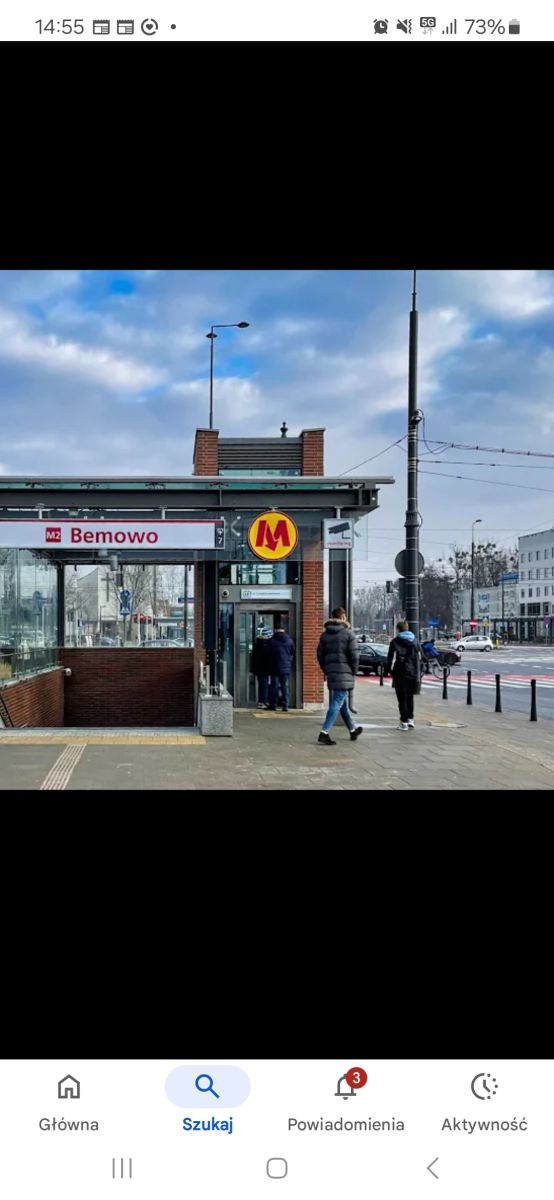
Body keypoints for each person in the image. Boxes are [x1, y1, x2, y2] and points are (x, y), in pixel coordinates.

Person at [316, 607, 363, 745]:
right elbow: (354, 656)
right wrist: (353, 671)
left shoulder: (325, 635)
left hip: (332, 672)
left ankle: (352, 729)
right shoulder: (348, 634)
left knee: (342, 703)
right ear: (343, 617)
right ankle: (324, 732)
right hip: (345, 672)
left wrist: (326, 669)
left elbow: (319, 654)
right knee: (337, 702)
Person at [387, 619, 423, 731]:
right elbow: (421, 656)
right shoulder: (415, 641)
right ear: (407, 628)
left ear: (398, 629)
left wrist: (389, 671)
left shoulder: (395, 642)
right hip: (412, 673)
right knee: (410, 697)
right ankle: (411, 719)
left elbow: (390, 658)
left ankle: (404, 722)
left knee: (401, 698)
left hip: (400, 672)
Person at [267, 622, 294, 712]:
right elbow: (292, 652)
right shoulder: (289, 640)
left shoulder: (271, 641)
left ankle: (273, 704)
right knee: (285, 686)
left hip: (274, 667)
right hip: (286, 667)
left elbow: (268, 654)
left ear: (275, 630)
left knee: (274, 686)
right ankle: (285, 705)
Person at [252, 627, 273, 708]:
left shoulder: (258, 643)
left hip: (259, 668)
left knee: (262, 685)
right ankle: (263, 701)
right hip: (265, 668)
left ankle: (262, 701)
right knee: (264, 686)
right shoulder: (266, 644)